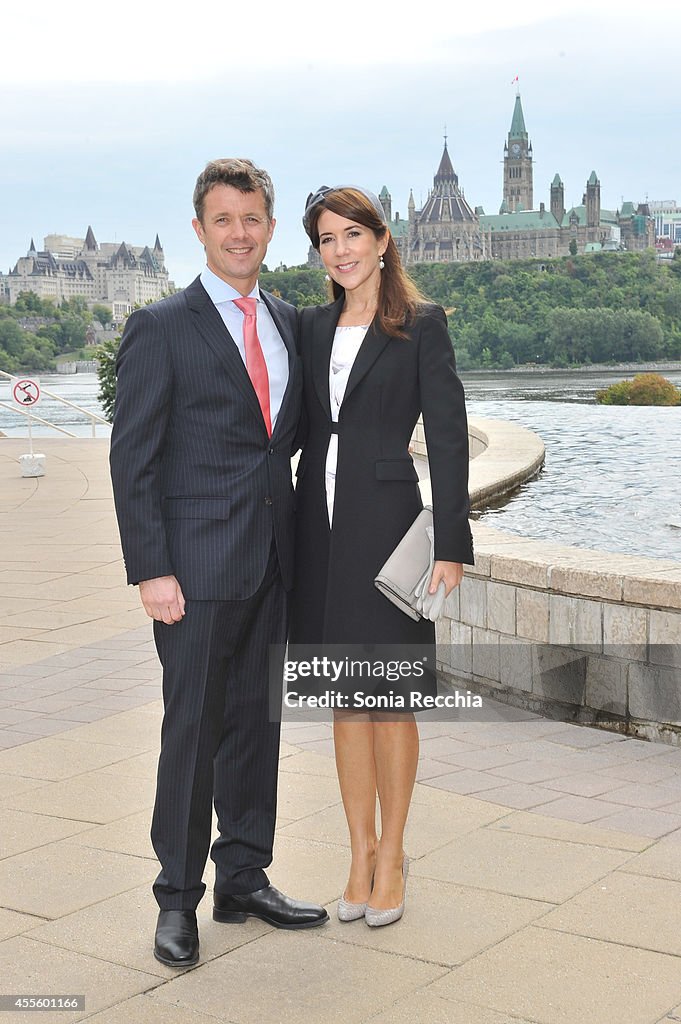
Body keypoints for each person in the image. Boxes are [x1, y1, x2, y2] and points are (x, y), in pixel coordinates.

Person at [109, 158, 328, 969]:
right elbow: (132, 459)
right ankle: (177, 899)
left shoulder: (284, 316)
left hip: (273, 560)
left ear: (270, 229)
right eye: (223, 220)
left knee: (256, 728)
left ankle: (243, 875)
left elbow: (295, 438)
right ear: (198, 230)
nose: (239, 233)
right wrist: (150, 569)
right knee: (193, 732)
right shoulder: (161, 326)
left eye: (252, 219)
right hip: (194, 571)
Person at [290, 185, 474, 927]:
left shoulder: (420, 326)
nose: (340, 250)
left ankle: (393, 855)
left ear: (382, 238)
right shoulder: (308, 325)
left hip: (390, 525)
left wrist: (452, 545)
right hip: (317, 528)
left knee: (389, 701)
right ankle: (357, 853)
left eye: (351, 235)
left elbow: (451, 436)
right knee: (344, 699)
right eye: (327, 239)